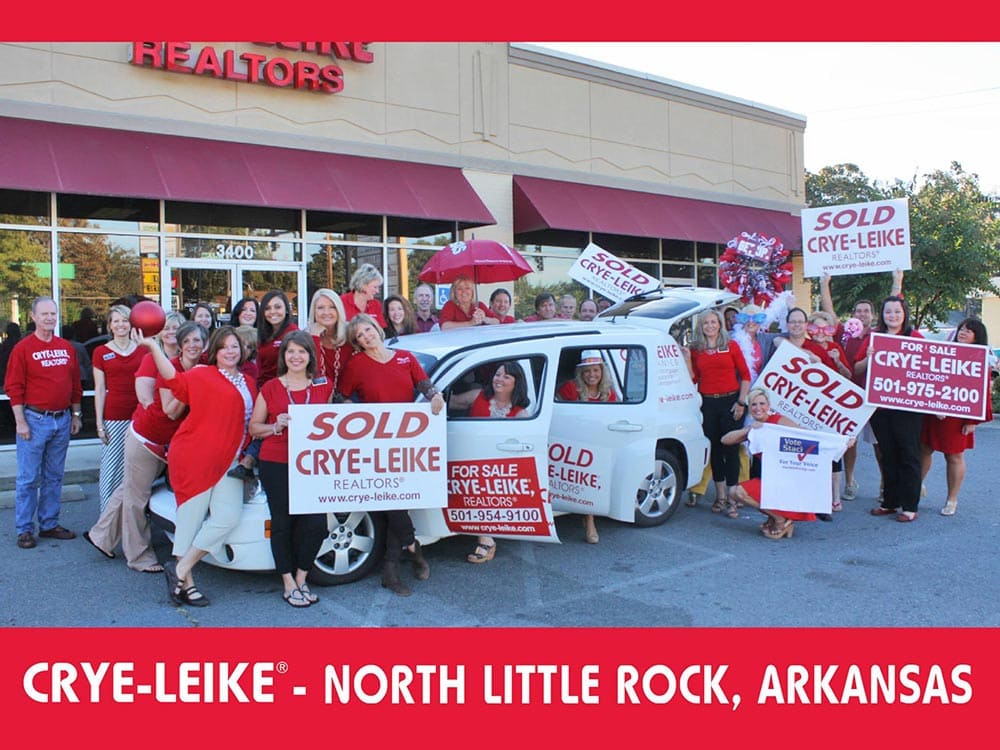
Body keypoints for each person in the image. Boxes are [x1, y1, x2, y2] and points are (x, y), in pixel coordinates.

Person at [137, 325, 257, 606]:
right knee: (189, 521)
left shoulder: (249, 382)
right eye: (224, 347)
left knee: (227, 517)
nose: (230, 351)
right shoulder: (202, 374)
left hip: (231, 460)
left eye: (235, 346)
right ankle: (188, 585)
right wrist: (153, 347)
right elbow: (173, 380)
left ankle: (179, 569)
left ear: (242, 350)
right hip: (195, 456)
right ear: (214, 351)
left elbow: (250, 422)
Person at [84, 322, 206, 571]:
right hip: (147, 439)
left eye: (197, 340)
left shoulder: (205, 366)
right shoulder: (171, 368)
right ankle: (138, 557)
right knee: (136, 499)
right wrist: (192, 380)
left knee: (128, 489)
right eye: (187, 341)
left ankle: (101, 536)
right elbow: (171, 412)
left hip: (169, 443)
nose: (192, 345)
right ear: (180, 345)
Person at [338, 314, 444, 596]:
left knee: (398, 503)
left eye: (368, 330)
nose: (366, 336)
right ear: (357, 343)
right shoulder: (357, 364)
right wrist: (348, 407)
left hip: (405, 443)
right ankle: (411, 550)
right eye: (359, 336)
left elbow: (425, 384)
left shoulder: (405, 357)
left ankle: (392, 568)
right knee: (390, 502)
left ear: (377, 329)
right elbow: (341, 395)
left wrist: (435, 396)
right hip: (373, 443)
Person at [249, 331, 333, 608]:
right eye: (290, 351)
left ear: (310, 356)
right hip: (277, 461)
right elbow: (254, 428)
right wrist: (276, 426)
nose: (296, 357)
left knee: (316, 524)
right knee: (282, 522)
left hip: (313, 464)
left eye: (302, 351)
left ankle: (301, 577)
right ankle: (288, 582)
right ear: (283, 356)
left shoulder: (324, 386)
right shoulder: (271, 387)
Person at [6, 297, 83, 548]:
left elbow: (75, 384)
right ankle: (25, 529)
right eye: (44, 314)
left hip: (62, 420)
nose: (50, 318)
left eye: (53, 313)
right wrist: (20, 422)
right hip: (34, 420)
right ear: (33, 317)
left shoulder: (66, 347)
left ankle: (49, 524)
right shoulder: (23, 348)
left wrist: (76, 415)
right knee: (28, 478)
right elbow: (14, 387)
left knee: (54, 476)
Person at [820, 270, 902, 501]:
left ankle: (885, 485)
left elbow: (894, 307)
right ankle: (850, 482)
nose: (862, 314)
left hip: (873, 396)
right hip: (847, 396)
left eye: (866, 311)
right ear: (853, 314)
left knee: (879, 444)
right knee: (849, 442)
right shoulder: (844, 333)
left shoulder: (879, 334)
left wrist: (897, 282)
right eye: (858, 311)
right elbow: (829, 312)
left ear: (874, 315)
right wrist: (824, 284)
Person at [855, 296, 924, 522]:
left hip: (908, 408)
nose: (892, 316)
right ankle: (890, 502)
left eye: (897, 311)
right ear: (882, 315)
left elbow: (930, 369)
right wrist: (869, 357)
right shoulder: (874, 337)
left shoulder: (915, 337)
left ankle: (910, 506)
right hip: (881, 407)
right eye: (888, 312)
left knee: (909, 455)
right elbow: (857, 369)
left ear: (904, 314)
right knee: (888, 455)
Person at [722, 388, 820, 539]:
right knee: (734, 492)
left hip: (787, 479)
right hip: (771, 479)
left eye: (762, 403)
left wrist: (844, 441)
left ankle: (781, 520)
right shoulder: (755, 428)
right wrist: (748, 430)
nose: (758, 408)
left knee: (740, 491)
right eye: (754, 404)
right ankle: (776, 516)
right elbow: (725, 440)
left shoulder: (779, 421)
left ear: (769, 406)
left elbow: (805, 435)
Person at [681, 308, 751, 517]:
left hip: (731, 402)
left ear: (720, 324)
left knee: (731, 450)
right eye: (706, 323)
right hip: (708, 403)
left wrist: (741, 402)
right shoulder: (696, 350)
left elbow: (745, 376)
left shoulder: (731, 346)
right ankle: (720, 496)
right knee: (715, 450)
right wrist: (687, 359)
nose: (710, 326)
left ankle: (733, 497)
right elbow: (693, 378)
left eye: (713, 322)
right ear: (700, 327)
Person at [920, 318, 993, 516]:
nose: (963, 332)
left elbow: (981, 392)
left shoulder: (980, 359)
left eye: (969, 331)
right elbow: (930, 379)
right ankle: (916, 486)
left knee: (953, 455)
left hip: (959, 417)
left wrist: (972, 420)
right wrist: (932, 404)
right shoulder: (944, 353)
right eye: (962, 329)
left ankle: (951, 499)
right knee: (924, 449)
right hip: (934, 412)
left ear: (977, 336)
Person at [465, 360, 532, 562]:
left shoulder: (521, 413)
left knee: (483, 485)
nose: (499, 379)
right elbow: (448, 402)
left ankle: (486, 540)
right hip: (469, 457)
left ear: (516, 382)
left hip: (497, 467)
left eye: (506, 376)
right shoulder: (478, 396)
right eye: (497, 374)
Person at [557, 350, 617, 544]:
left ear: (602, 371)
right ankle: (589, 519)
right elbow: (558, 414)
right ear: (581, 373)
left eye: (596, 370)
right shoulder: (570, 388)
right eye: (587, 371)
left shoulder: (609, 392)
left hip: (601, 442)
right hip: (575, 443)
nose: (592, 375)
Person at [93, 304, 144, 514]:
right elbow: (99, 389)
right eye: (116, 321)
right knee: (111, 470)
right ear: (110, 325)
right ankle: (106, 520)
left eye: (125, 320)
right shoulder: (101, 352)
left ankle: (129, 519)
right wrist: (99, 424)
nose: (121, 325)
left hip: (139, 419)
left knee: (135, 470)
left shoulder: (143, 349)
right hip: (114, 419)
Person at [306, 288, 354, 392]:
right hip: (317, 394)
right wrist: (315, 338)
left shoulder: (351, 334)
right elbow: (312, 372)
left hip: (348, 396)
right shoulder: (304, 337)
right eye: (320, 308)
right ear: (314, 311)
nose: (326, 312)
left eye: (332, 307)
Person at [256, 289, 298, 387]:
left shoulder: (293, 333)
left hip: (284, 388)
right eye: (267, 308)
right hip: (264, 387)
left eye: (277, 307)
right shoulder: (264, 333)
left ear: (286, 309)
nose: (272, 312)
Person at [341, 263, 387, 328]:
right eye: (375, 287)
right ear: (363, 285)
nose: (377, 291)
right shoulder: (341, 302)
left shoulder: (376, 304)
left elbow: (381, 330)